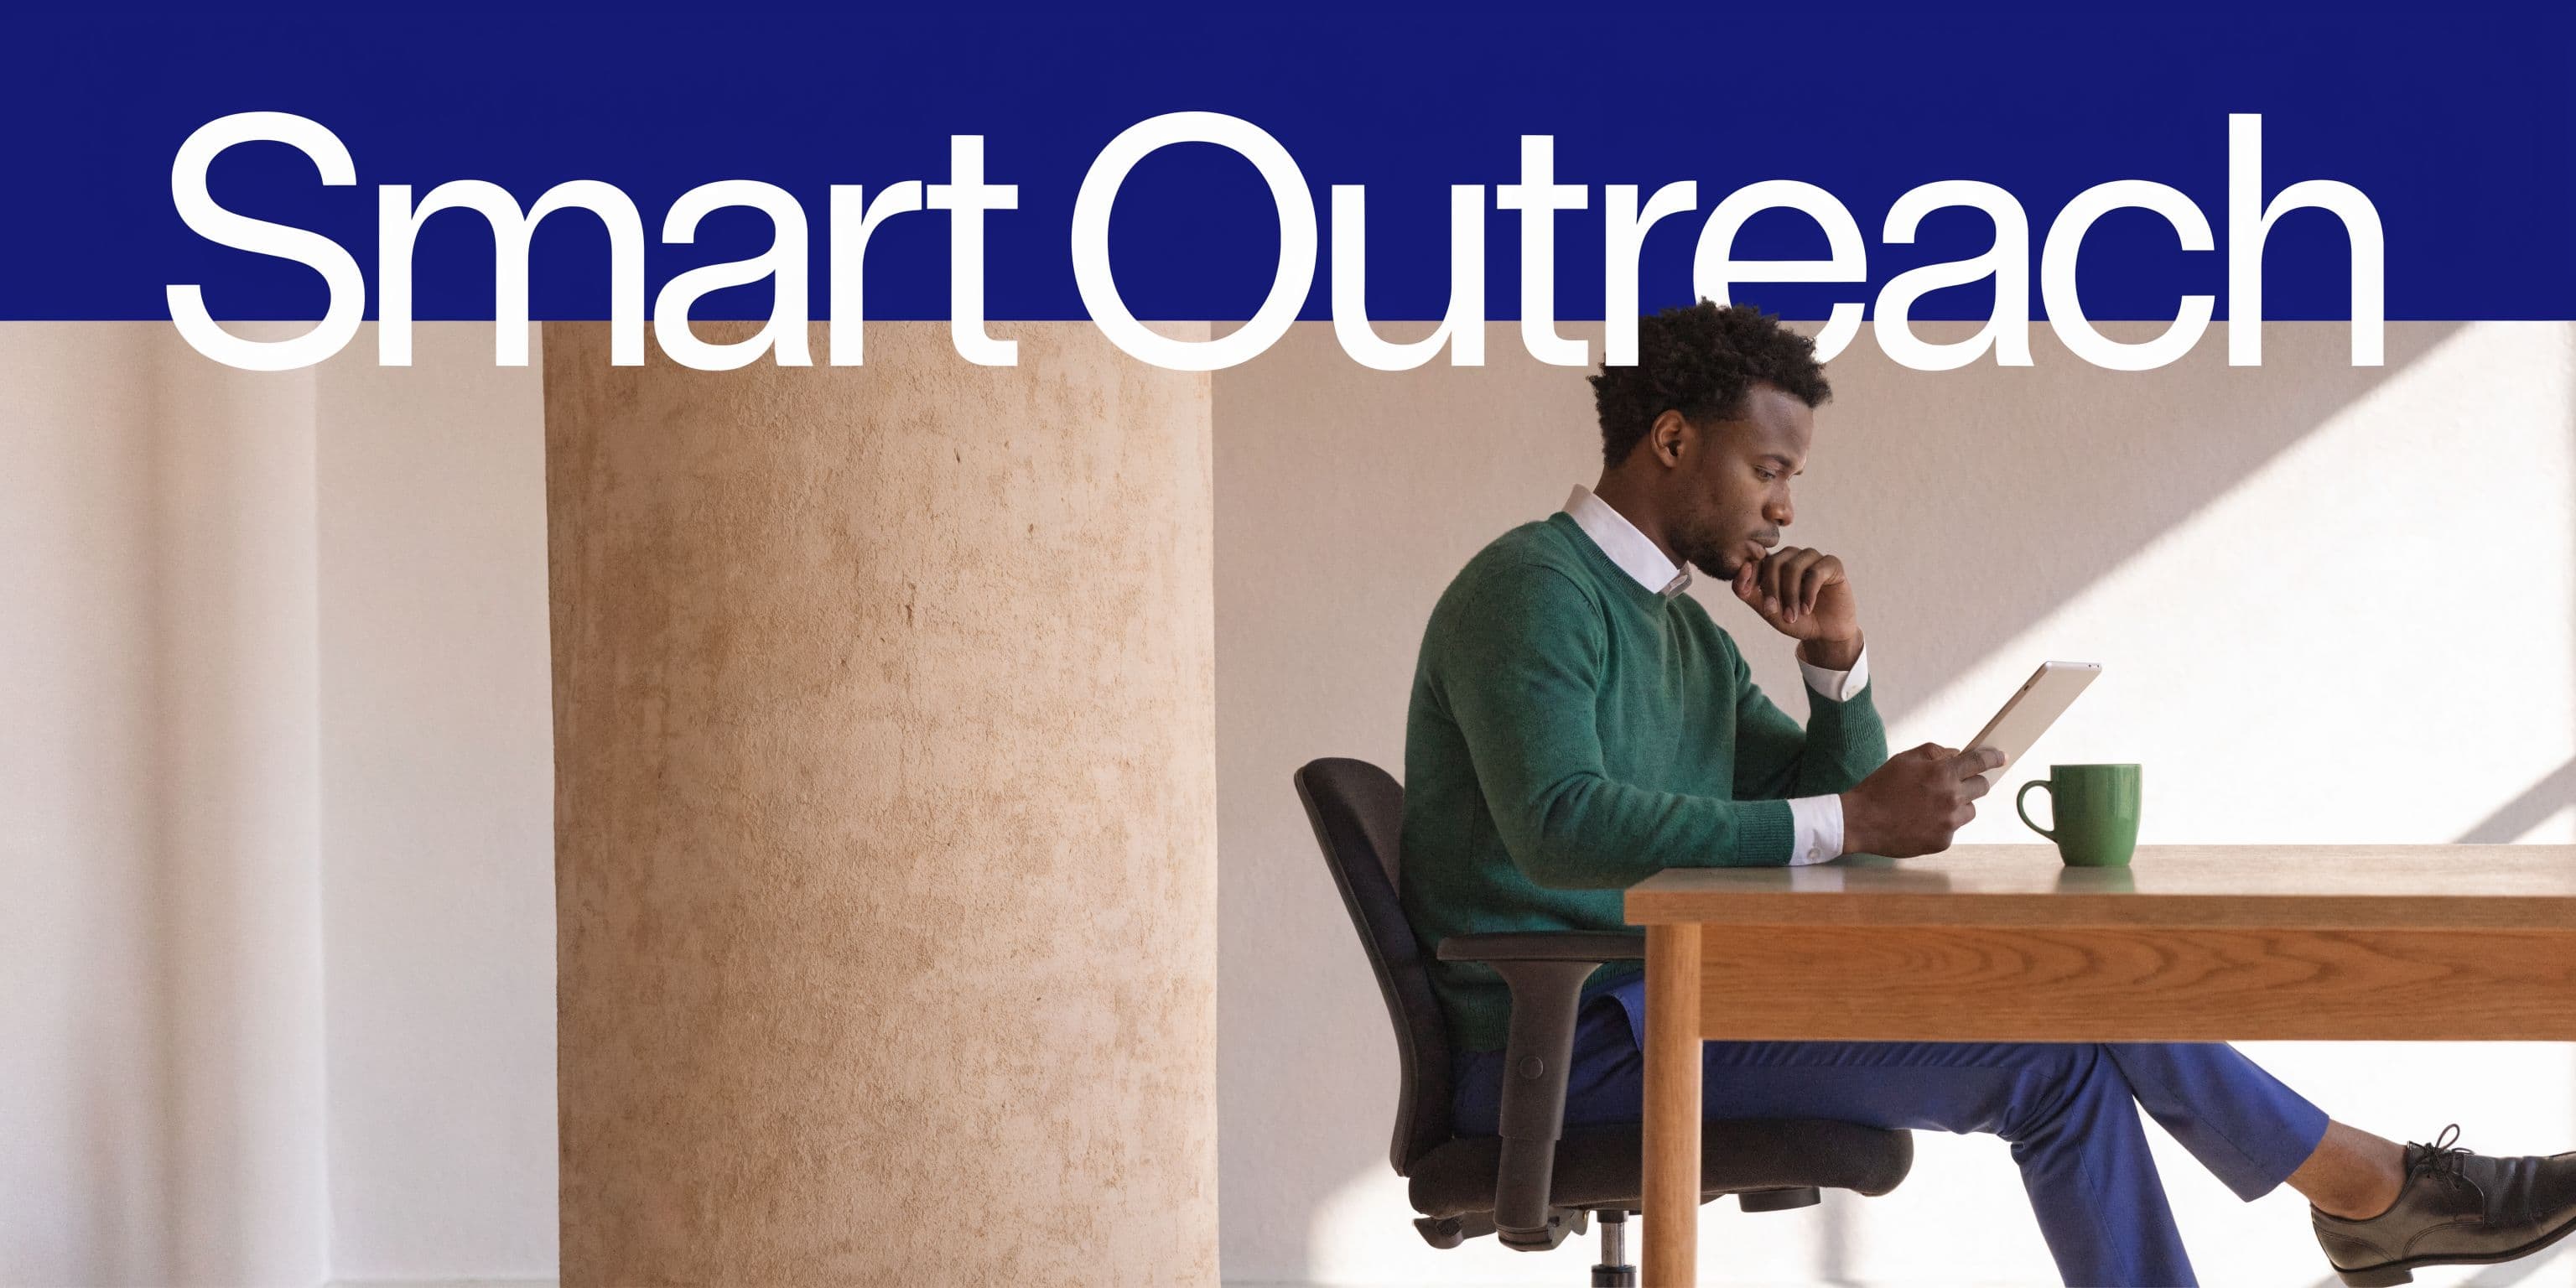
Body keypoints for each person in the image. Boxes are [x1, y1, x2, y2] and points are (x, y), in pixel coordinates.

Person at [1394, 300, 2576, 1287]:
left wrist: (1835, 666)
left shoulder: (1680, 635)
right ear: (1667, 440)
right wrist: (1852, 819)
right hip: (1572, 1046)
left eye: (1793, 478)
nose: (1786, 509)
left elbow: (1834, 811)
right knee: (2052, 1058)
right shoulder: (1533, 591)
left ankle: (2366, 1190)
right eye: (1769, 469)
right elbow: (1563, 829)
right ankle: (2369, 1189)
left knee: (2071, 1010)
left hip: (1675, 1005)